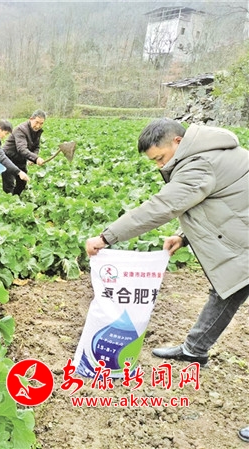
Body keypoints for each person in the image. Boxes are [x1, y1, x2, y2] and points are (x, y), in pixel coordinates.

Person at [85, 118, 249, 369]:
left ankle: (195, 348)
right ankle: (195, 349)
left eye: (160, 158)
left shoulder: (199, 164)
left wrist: (106, 237)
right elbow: (222, 206)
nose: (160, 165)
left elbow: (163, 206)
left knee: (231, 284)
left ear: (178, 142)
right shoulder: (210, 152)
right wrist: (183, 237)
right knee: (229, 287)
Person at [1, 110, 46, 196]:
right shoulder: (21, 129)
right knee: (9, 186)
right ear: (31, 119)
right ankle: (9, 200)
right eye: (36, 122)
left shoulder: (37, 131)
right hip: (8, 158)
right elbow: (22, 149)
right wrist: (36, 158)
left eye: (41, 123)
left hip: (20, 159)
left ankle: (16, 198)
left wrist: (33, 158)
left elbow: (36, 147)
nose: (38, 126)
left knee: (22, 182)